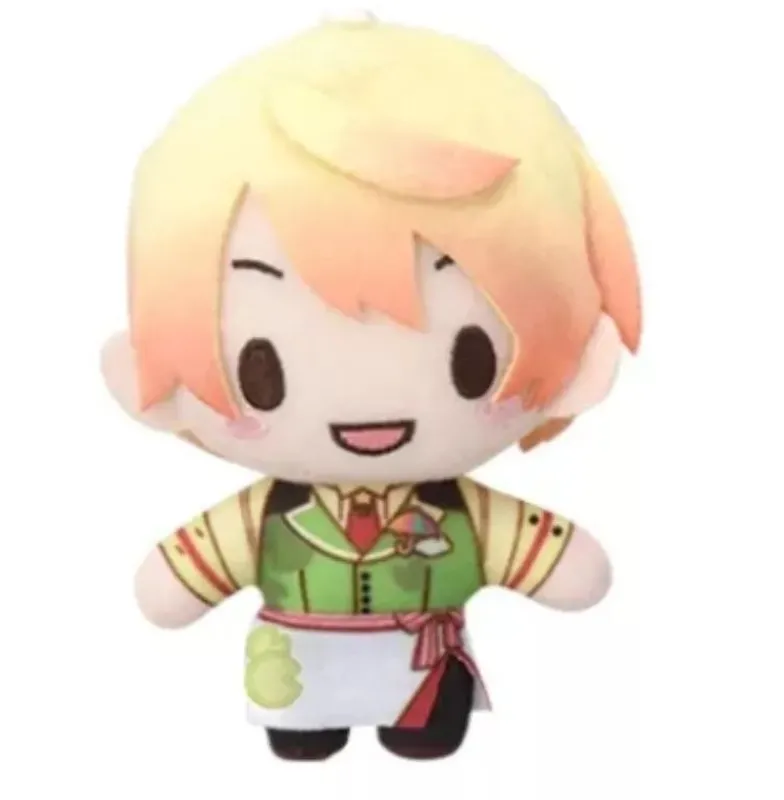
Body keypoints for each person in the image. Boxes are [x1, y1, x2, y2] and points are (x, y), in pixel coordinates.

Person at [102, 16, 641, 760]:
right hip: (300, 664)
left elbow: (556, 563)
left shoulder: (461, 515)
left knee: (425, 735)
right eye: (263, 370)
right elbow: (181, 579)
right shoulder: (272, 518)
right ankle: (310, 728)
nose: (368, 406)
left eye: (470, 360)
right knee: (303, 732)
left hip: (426, 666)